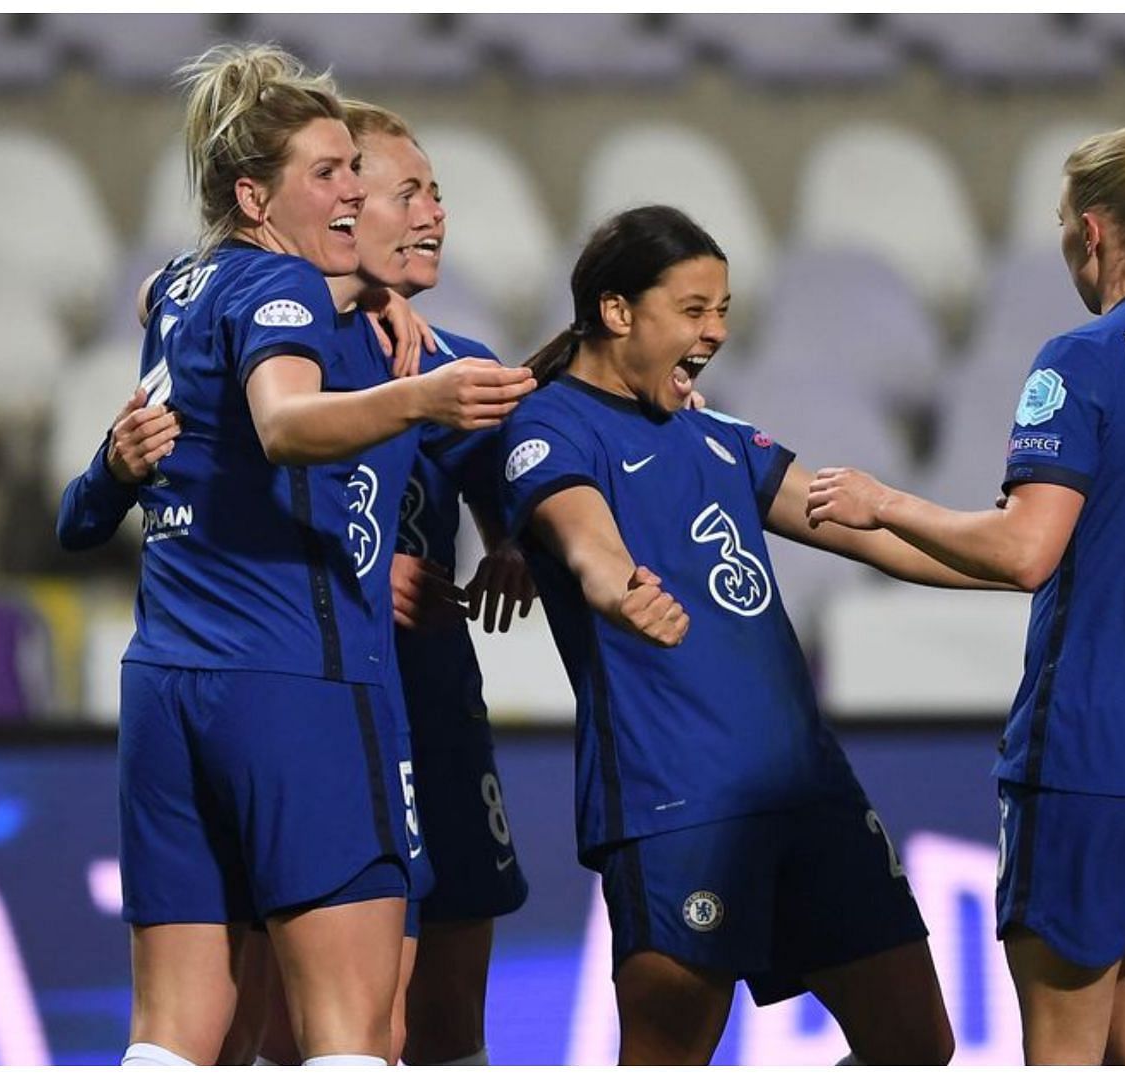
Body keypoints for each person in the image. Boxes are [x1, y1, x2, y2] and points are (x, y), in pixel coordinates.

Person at [54, 44, 531, 1067]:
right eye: (344, 177)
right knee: (359, 1036)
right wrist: (419, 392)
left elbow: (160, 295)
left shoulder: (191, 284)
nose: (367, 201)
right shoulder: (296, 300)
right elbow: (286, 421)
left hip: (173, 680)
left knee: (175, 1040)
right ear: (256, 195)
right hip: (303, 682)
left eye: (374, 184)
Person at [805, 126, 1125, 1066]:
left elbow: (1025, 552)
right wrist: (891, 540)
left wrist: (885, 501)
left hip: (1094, 755)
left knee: (1063, 1057)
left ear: (1093, 233)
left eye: (1065, 223)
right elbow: (1076, 557)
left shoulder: (1082, 357)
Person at [500, 205, 984, 1065]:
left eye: (723, 309)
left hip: (809, 789)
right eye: (694, 309)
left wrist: (1019, 559)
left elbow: (867, 532)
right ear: (618, 311)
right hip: (678, 798)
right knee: (668, 1055)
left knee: (914, 1044)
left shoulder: (722, 438)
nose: (716, 331)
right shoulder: (551, 427)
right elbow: (584, 541)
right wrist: (622, 589)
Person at [236, 99, 534, 1069]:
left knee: (450, 1031)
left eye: (437, 193)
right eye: (409, 193)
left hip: (435, 706)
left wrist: (513, 546)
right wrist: (359, 569)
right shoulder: (276, 344)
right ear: (344, 204)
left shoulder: (457, 362)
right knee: (313, 1031)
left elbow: (525, 493)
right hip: (311, 714)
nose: (435, 214)